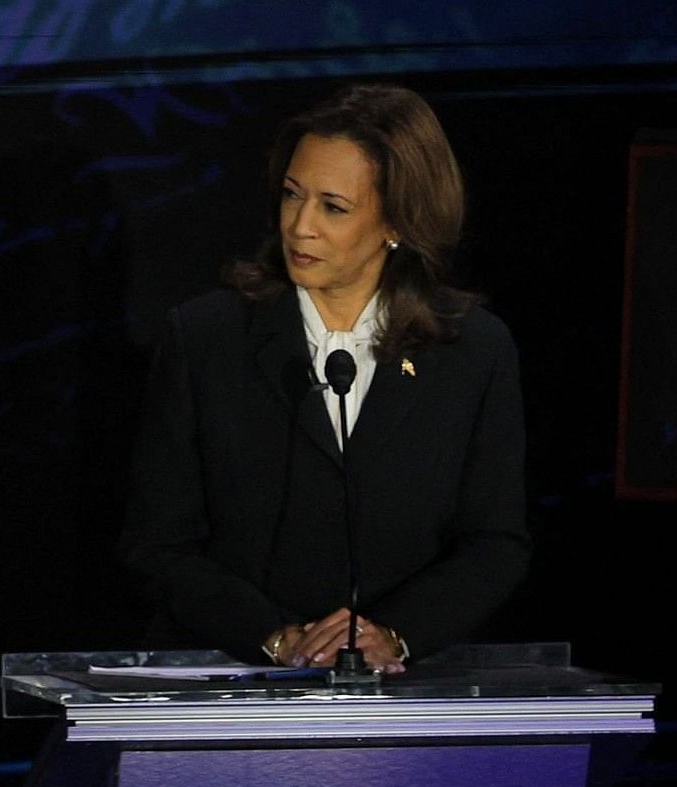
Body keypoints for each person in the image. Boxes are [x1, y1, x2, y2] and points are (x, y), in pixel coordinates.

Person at [122, 84, 528, 672]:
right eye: (291, 196)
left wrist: (393, 634)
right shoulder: (207, 338)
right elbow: (156, 545)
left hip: (402, 698)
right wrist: (279, 639)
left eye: (333, 207)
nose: (299, 226)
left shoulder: (473, 351)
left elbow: (496, 544)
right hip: (232, 680)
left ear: (397, 221)